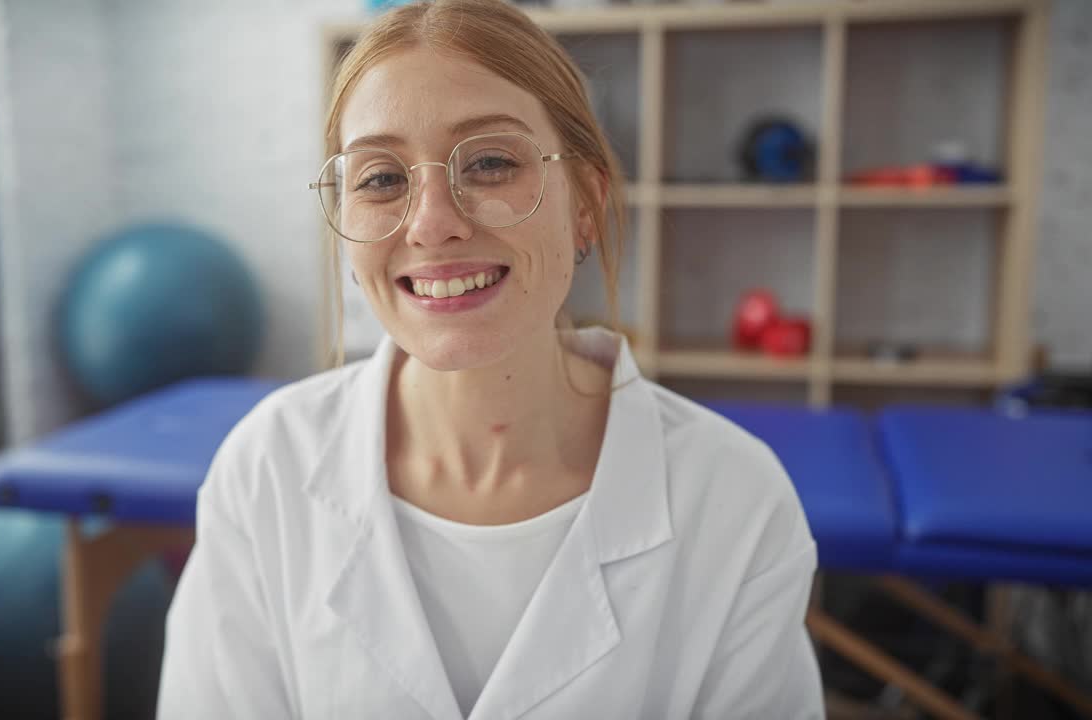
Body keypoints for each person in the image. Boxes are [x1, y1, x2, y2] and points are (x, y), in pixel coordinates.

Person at [157, 1, 824, 717]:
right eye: (380, 179)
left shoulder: (735, 502)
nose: (433, 223)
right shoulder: (267, 472)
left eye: (491, 163)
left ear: (585, 205)